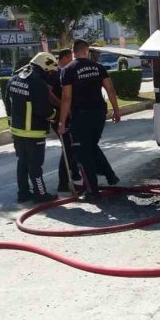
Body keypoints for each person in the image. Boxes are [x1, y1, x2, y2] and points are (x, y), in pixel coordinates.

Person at [58, 39, 121, 201]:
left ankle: (93, 190)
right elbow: (111, 90)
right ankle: (110, 175)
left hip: (81, 115)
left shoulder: (68, 70)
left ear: (73, 52)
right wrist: (116, 110)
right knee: (91, 146)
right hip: (99, 113)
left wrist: (62, 122)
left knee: (83, 153)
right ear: (86, 51)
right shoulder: (98, 67)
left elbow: (66, 98)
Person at [4, 52, 60, 203]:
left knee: (22, 162)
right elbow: (43, 110)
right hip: (33, 132)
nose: (50, 74)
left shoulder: (15, 77)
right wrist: (56, 117)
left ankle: (23, 193)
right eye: (49, 71)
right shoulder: (37, 83)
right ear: (44, 66)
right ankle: (40, 194)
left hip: (17, 131)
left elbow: (8, 102)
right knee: (35, 165)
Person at [47, 48, 82, 192]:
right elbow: (47, 92)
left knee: (71, 146)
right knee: (68, 148)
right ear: (67, 57)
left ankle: (74, 176)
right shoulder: (56, 72)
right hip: (59, 117)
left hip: (67, 116)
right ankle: (63, 184)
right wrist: (63, 106)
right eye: (72, 57)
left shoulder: (64, 72)